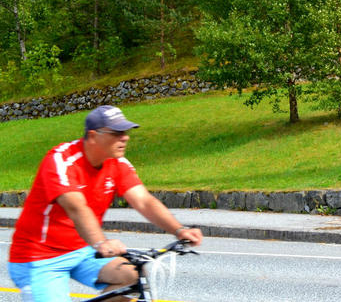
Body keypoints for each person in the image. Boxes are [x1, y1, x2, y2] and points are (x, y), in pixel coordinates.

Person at [6, 105, 203, 301]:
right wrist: (101, 242)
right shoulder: (61, 160)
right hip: (38, 258)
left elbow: (143, 201)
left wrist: (179, 230)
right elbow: (77, 208)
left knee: (130, 276)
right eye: (117, 133)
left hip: (82, 251)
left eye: (125, 132)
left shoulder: (117, 163)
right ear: (93, 136)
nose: (124, 137)